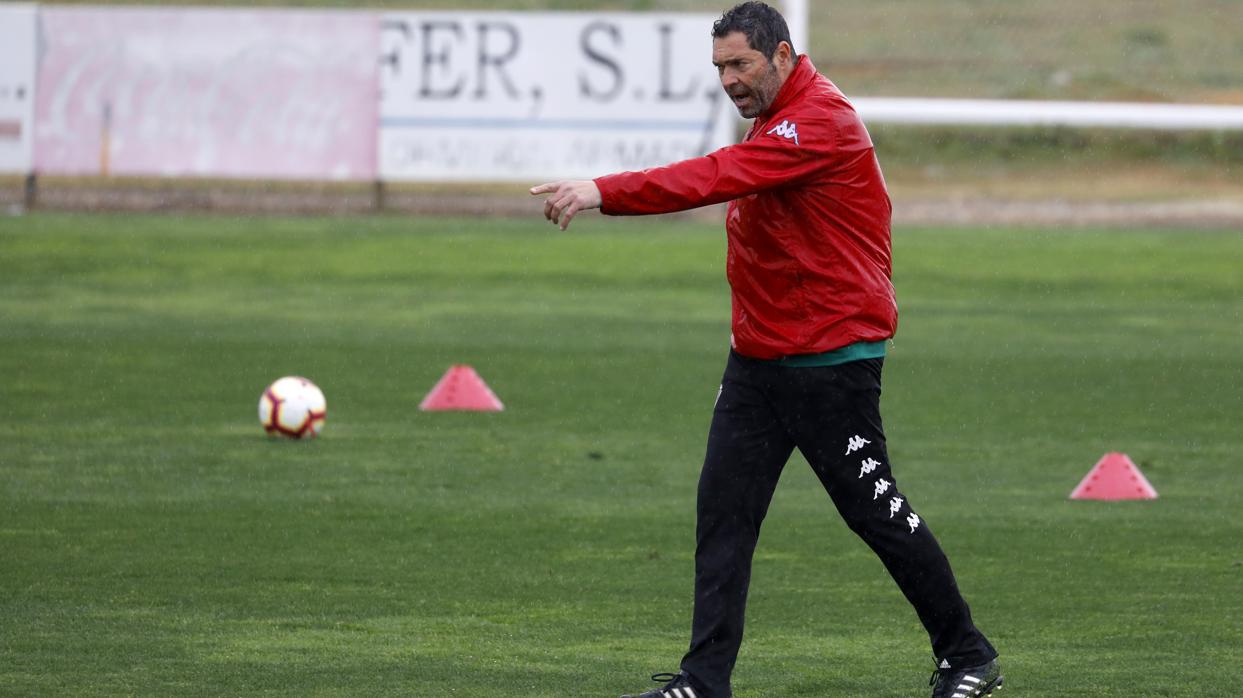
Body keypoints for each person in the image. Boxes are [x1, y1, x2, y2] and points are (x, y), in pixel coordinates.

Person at [530, 3, 1002, 697]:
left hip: (829, 361)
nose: (727, 79)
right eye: (719, 66)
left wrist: (603, 190)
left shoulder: (818, 121)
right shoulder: (776, 117)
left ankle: (968, 656)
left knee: (875, 510)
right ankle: (702, 681)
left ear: (782, 55)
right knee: (723, 515)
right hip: (757, 362)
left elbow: (715, 176)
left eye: (740, 64)